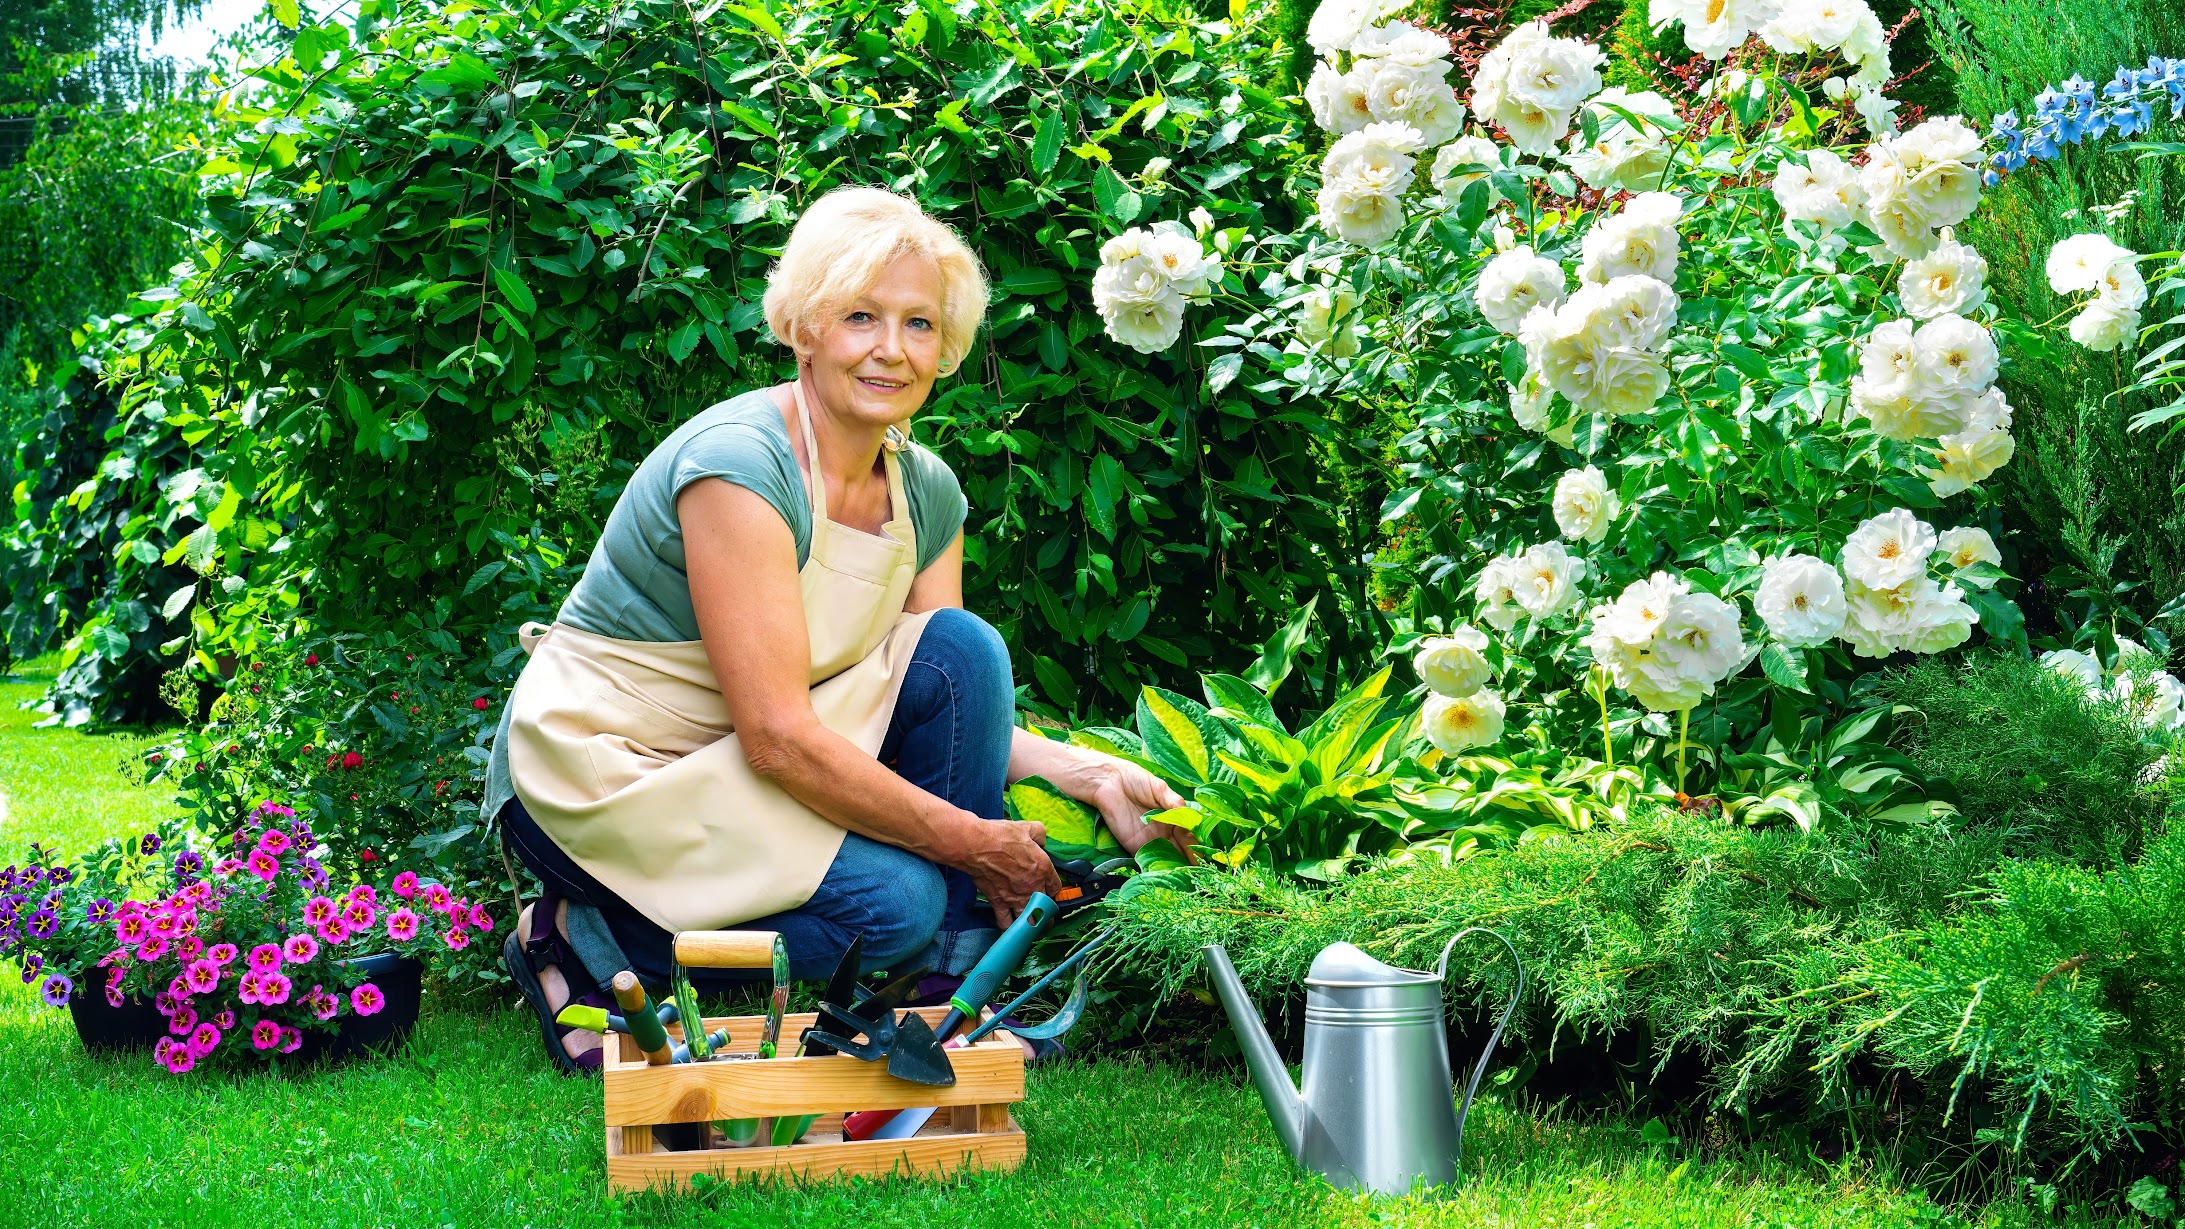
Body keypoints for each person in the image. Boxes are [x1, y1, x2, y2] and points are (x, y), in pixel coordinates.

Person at [485, 186, 1189, 1074]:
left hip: (736, 764)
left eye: (919, 324)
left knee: (964, 647)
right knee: (893, 904)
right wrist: (973, 844)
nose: (891, 350)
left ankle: (949, 993)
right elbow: (779, 737)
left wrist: (1090, 769)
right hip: (610, 767)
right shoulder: (739, 468)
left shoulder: (926, 491)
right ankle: (578, 934)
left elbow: (936, 691)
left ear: (948, 346)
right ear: (804, 327)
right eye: (860, 316)